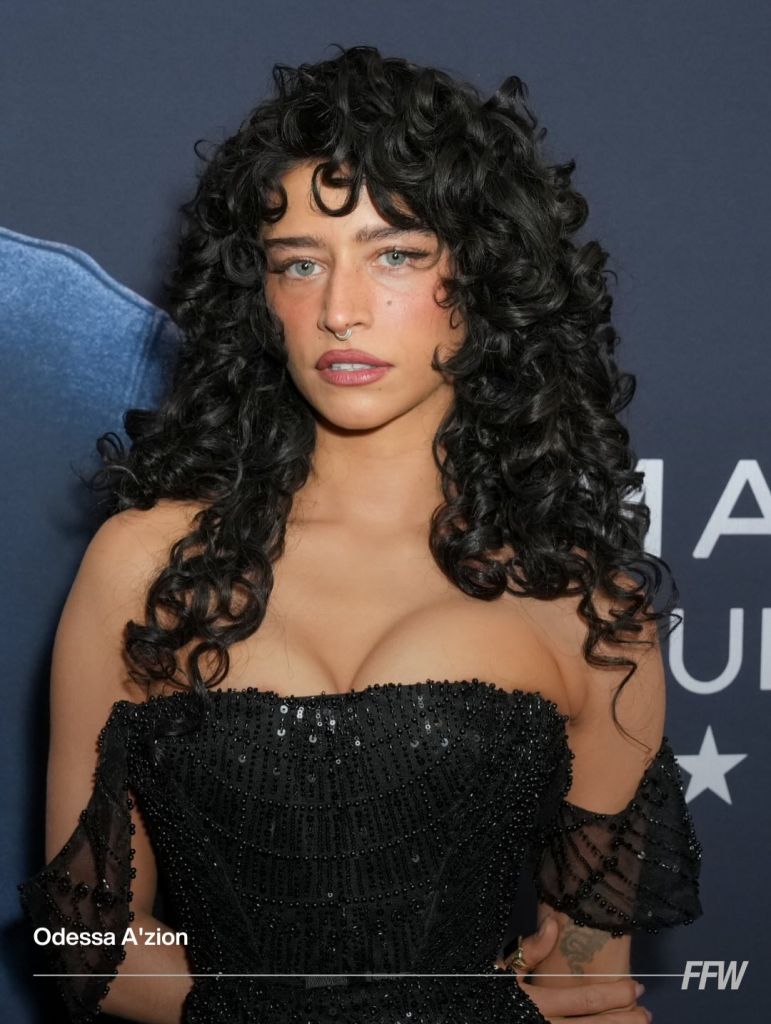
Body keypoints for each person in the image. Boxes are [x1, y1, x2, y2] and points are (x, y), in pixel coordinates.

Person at [18, 44, 702, 1024]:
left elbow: (590, 974)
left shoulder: (584, 609)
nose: (340, 311)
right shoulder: (146, 566)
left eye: (395, 255)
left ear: (483, 277)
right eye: (301, 264)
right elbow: (76, 944)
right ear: (261, 296)